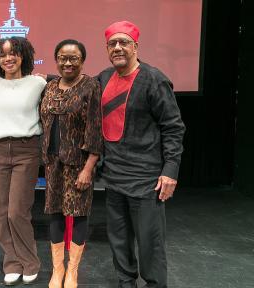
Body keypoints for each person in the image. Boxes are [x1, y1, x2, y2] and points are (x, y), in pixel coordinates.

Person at [97, 21, 185, 288]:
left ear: (136, 46)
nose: (118, 47)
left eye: (124, 42)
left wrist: (170, 170)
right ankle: (126, 282)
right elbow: (76, 87)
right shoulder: (102, 78)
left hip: (145, 179)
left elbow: (173, 127)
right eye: (113, 43)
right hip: (113, 176)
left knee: (150, 242)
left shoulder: (154, 79)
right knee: (119, 238)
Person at [40, 39, 102, 288]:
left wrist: (89, 167)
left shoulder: (90, 86)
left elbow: (95, 130)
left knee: (78, 216)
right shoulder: (50, 86)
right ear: (56, 60)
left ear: (82, 61)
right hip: (53, 162)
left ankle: (73, 272)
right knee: (54, 212)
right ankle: (58, 270)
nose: (67, 62)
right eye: (63, 58)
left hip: (79, 164)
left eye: (73, 58)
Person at [0, 37, 46, 285]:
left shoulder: (38, 83)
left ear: (24, 55)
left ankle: (30, 262)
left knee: (17, 211)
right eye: (2, 55)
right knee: (1, 212)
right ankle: (11, 262)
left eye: (13, 53)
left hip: (26, 150)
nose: (8, 58)